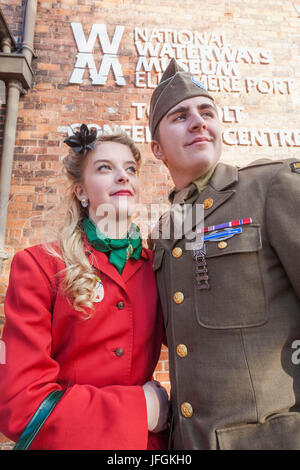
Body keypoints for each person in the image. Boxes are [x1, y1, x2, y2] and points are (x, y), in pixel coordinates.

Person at [149, 58, 300, 450]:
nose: (198, 121)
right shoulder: (162, 235)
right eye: (180, 116)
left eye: (207, 112)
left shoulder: (270, 186)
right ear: (156, 149)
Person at [0, 125, 169, 450]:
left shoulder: (160, 267)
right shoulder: (38, 265)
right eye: (105, 167)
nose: (123, 176)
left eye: (130, 169)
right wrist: (142, 409)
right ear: (80, 190)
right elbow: (19, 404)